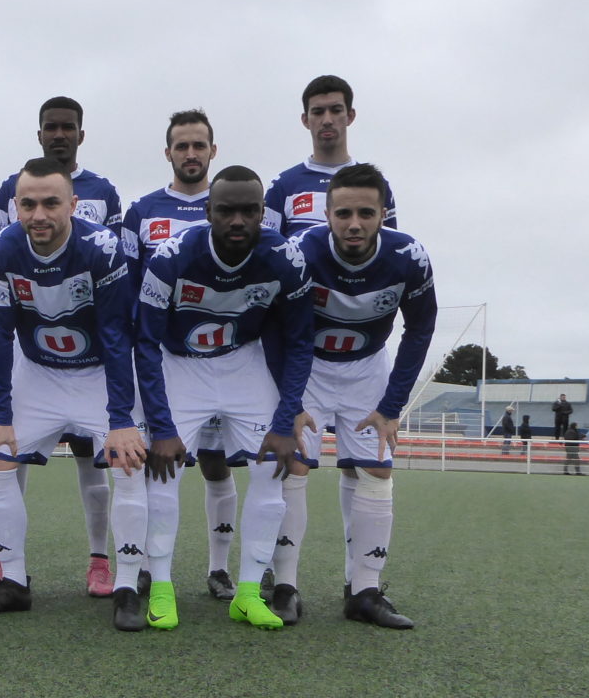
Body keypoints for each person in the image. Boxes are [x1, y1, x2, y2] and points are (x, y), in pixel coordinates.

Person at [0, 157, 148, 631]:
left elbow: (116, 334)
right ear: (15, 207)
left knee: (129, 461)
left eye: (51, 203)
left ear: (73, 204)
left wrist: (120, 417)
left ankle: (128, 585)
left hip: (96, 373)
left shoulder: (102, 247)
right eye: (28, 204)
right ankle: (12, 580)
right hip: (39, 371)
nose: (39, 215)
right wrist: (0, 414)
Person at [135, 166, 314, 631]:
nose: (238, 220)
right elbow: (145, 340)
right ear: (208, 212)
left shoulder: (286, 259)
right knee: (161, 471)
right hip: (180, 365)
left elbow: (298, 343)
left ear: (262, 213)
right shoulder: (171, 256)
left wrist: (284, 418)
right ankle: (159, 587)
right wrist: (161, 424)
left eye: (249, 210)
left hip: (243, 362)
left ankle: (249, 592)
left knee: (273, 469)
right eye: (226, 210)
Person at [284, 163, 436, 629]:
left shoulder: (409, 256)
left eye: (366, 213)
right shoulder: (298, 253)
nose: (354, 223)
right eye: (344, 212)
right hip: (306, 366)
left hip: (367, 367)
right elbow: (276, 326)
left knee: (375, 470)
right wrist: (288, 399)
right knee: (288, 465)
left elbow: (421, 327)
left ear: (383, 214)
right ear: (326, 214)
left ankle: (365, 590)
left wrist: (391, 407)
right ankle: (285, 586)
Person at [0, 96, 124, 597]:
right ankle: (7, 567)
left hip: (92, 362)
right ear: (39, 133)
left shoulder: (102, 193)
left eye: (68, 127)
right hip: (37, 357)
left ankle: (104, 562)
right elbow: (8, 290)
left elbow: (110, 300)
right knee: (4, 451)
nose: (59, 134)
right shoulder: (10, 194)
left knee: (100, 458)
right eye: (51, 127)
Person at [120, 109, 239, 601]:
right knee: (158, 460)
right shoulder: (141, 211)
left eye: (199, 145)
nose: (191, 154)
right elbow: (127, 285)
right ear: (167, 153)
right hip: (166, 357)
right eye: (181, 146)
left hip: (226, 357)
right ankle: (149, 566)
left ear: (214, 151)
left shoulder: (235, 206)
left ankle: (219, 568)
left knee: (216, 463)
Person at [263, 75, 397, 237]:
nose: (327, 120)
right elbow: (270, 250)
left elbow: (389, 251)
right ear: (305, 120)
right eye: (318, 112)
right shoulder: (282, 186)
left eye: (336, 110)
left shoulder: (376, 183)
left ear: (350, 116)